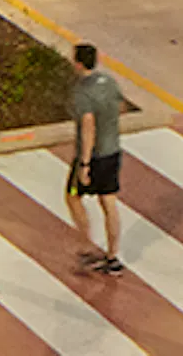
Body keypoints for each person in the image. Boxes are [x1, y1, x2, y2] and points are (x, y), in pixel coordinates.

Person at [62, 40, 129, 270]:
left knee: (72, 196)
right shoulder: (109, 82)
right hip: (113, 151)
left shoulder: (82, 92)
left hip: (93, 156)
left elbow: (88, 125)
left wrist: (84, 164)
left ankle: (86, 244)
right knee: (109, 201)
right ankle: (112, 256)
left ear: (78, 64)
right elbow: (120, 106)